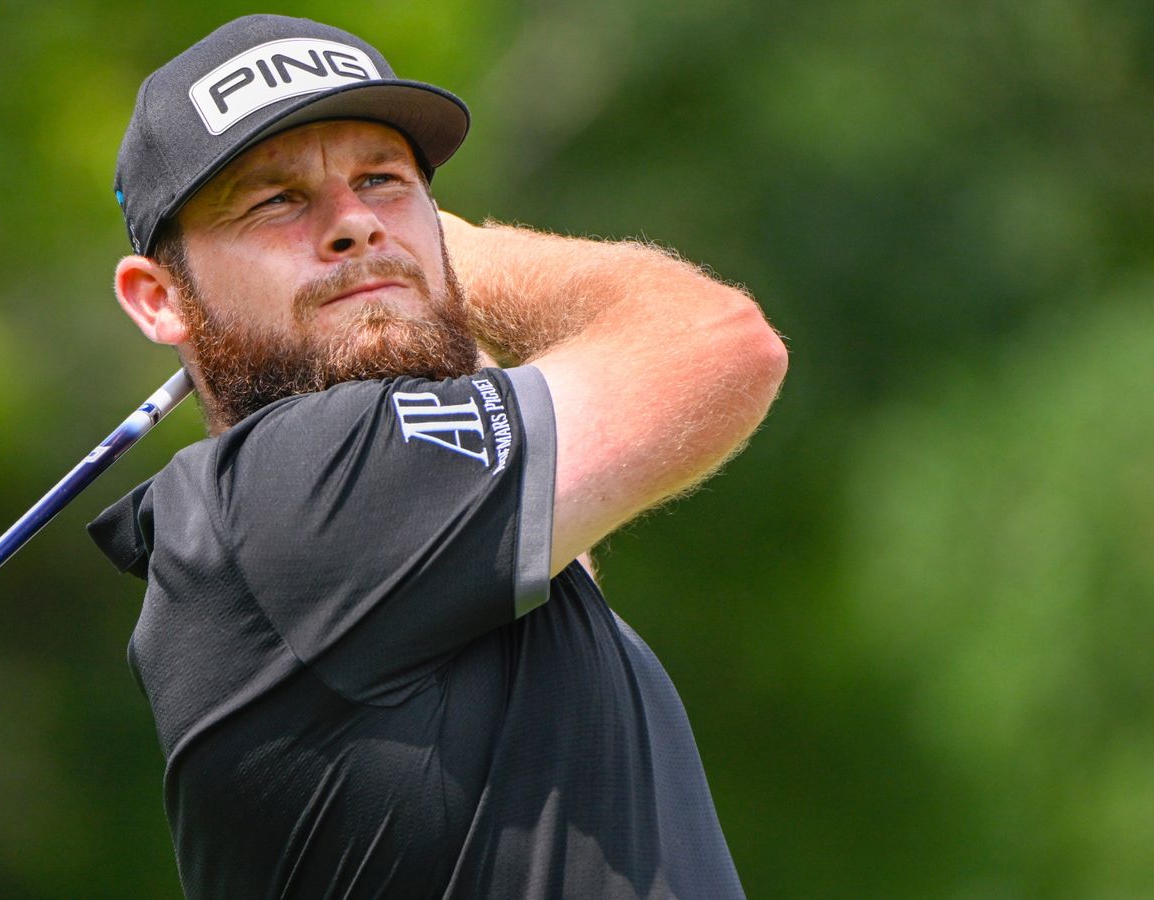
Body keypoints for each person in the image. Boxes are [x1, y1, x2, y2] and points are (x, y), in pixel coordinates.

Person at [88, 14, 787, 899]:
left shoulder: (418, 546)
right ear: (161, 300)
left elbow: (542, 487)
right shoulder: (290, 493)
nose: (353, 226)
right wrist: (456, 258)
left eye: (382, 181)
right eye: (276, 200)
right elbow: (719, 342)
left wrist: (410, 293)